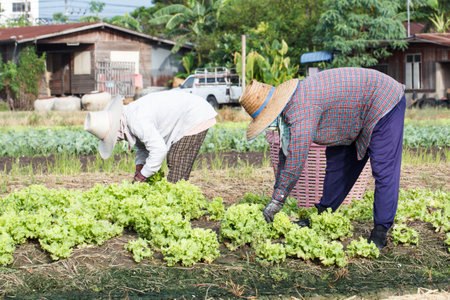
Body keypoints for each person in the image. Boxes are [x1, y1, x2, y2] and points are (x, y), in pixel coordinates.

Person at [239, 67, 406, 249]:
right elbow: (284, 153)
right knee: (337, 163)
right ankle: (322, 216)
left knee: (384, 169)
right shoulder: (289, 107)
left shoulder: (301, 108)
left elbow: (296, 156)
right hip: (351, 113)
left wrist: (277, 199)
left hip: (384, 100)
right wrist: (277, 194)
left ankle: (380, 230)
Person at [84, 90, 217, 183]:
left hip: (194, 115)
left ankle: (176, 207)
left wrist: (142, 176)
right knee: (173, 161)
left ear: (117, 129)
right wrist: (140, 166)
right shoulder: (128, 118)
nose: (118, 140)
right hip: (186, 114)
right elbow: (143, 147)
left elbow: (159, 151)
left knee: (177, 160)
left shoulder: (136, 120)